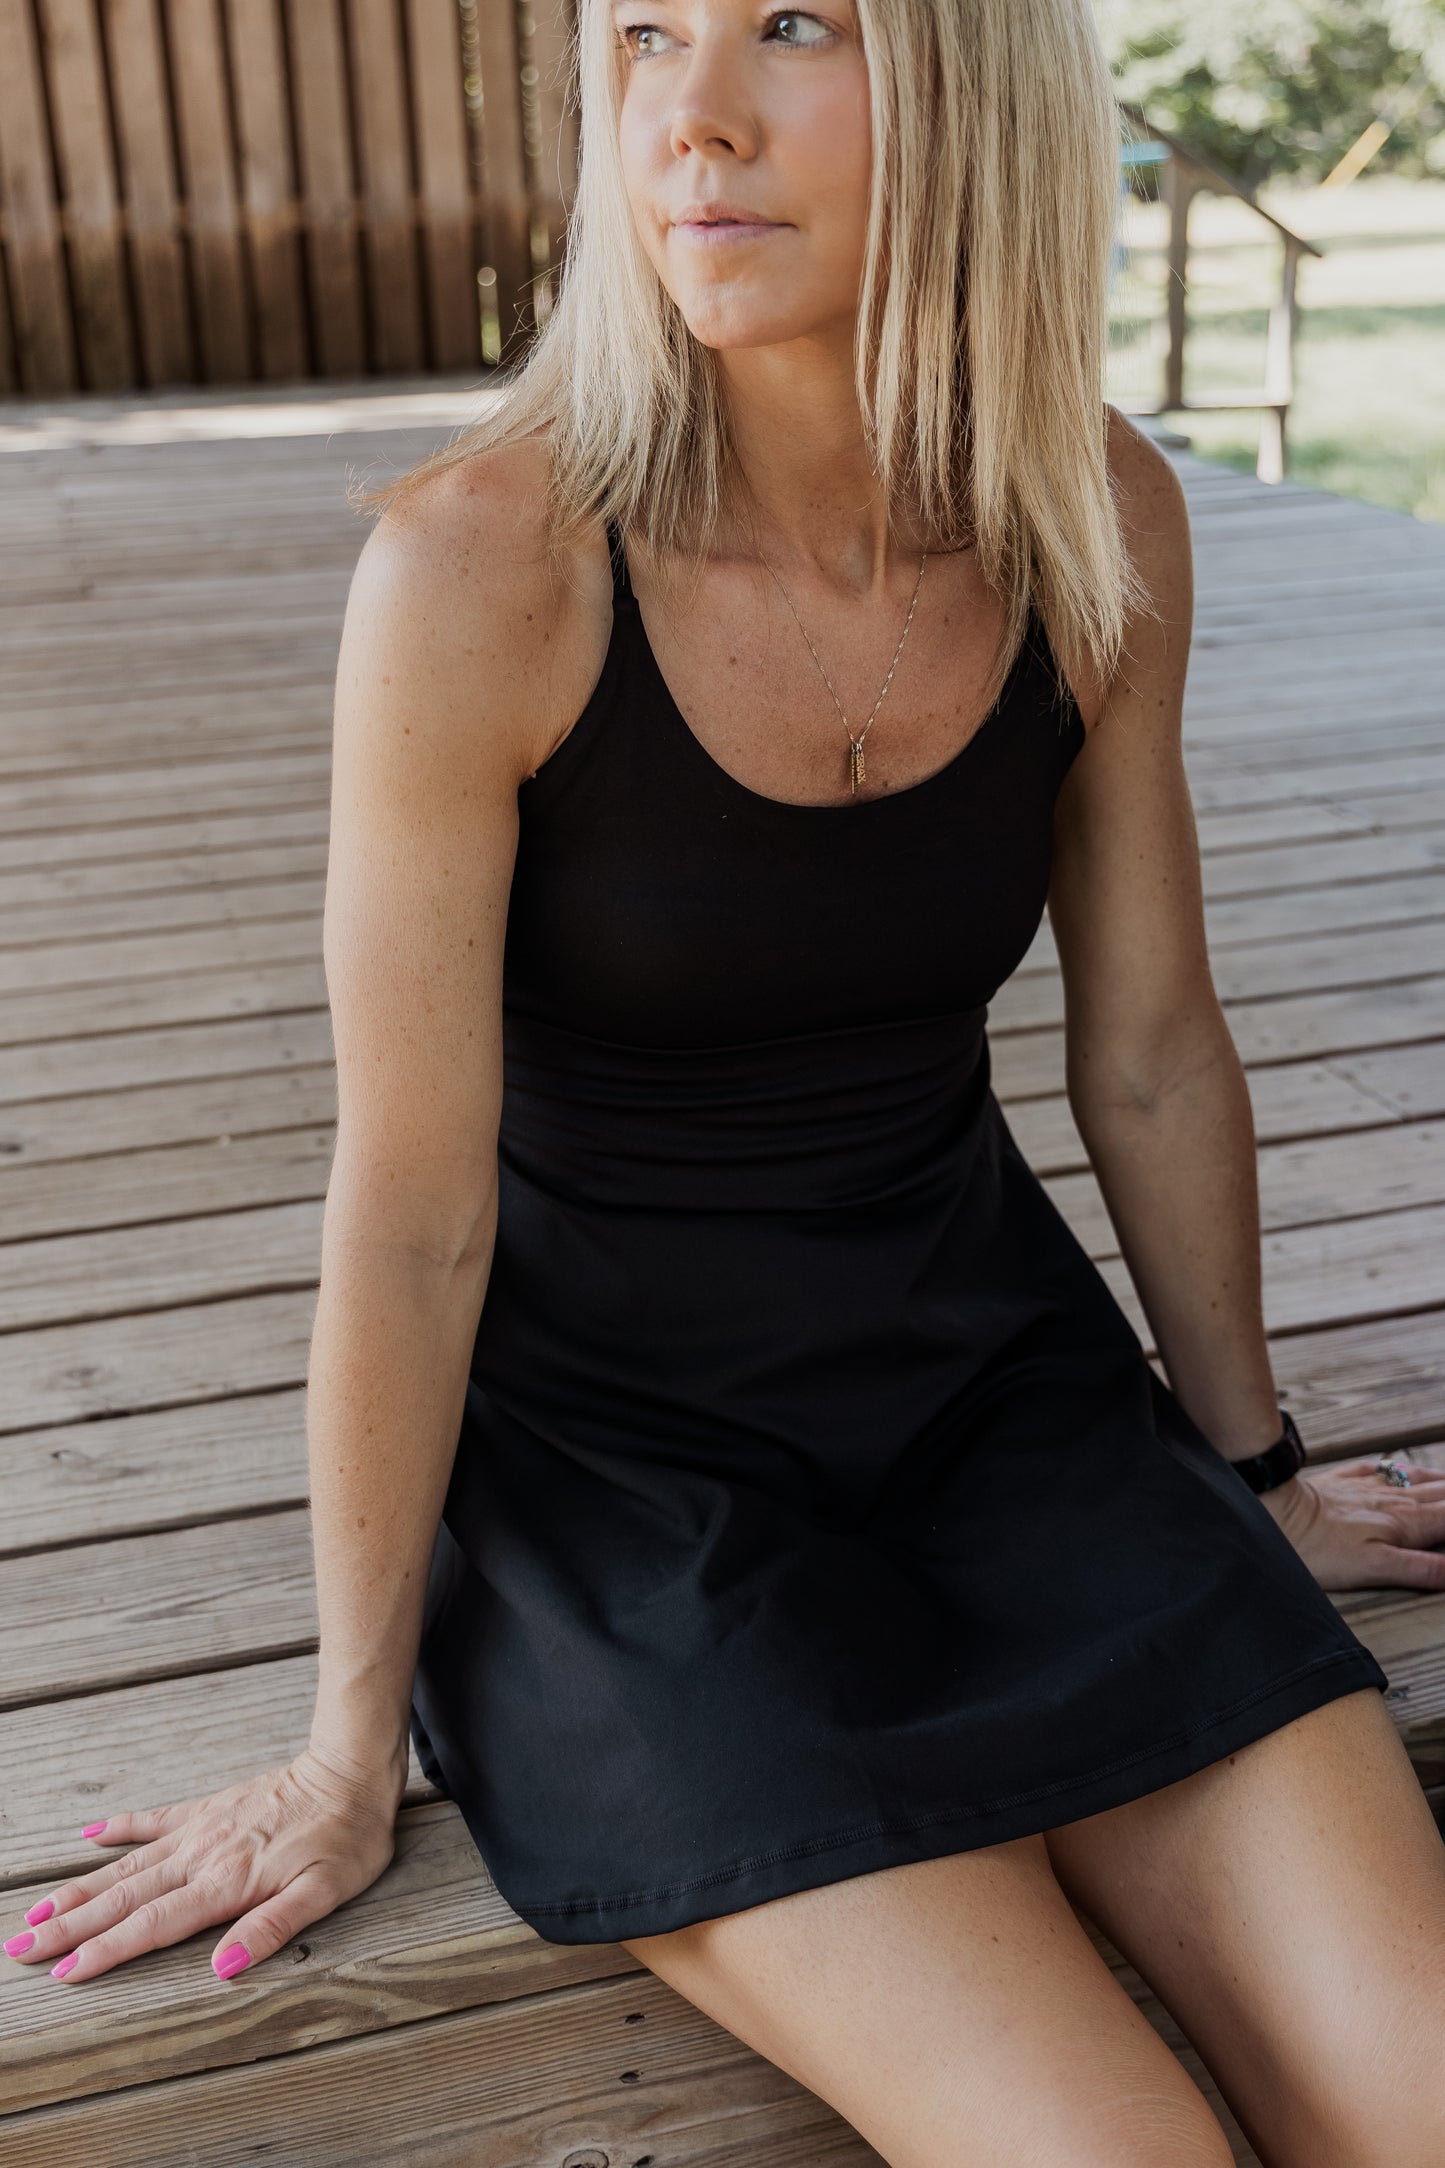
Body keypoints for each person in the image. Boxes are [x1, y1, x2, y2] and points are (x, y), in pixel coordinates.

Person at [7, 0, 1445, 2159]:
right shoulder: (485, 564)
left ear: (974, 81)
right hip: (623, 1500)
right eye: (644, 35)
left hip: (1001, 1402)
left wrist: (1255, 1465)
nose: (690, 115)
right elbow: (411, 1203)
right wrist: (342, 1728)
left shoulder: (1095, 510)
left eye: (794, 25)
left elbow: (1148, 1050)